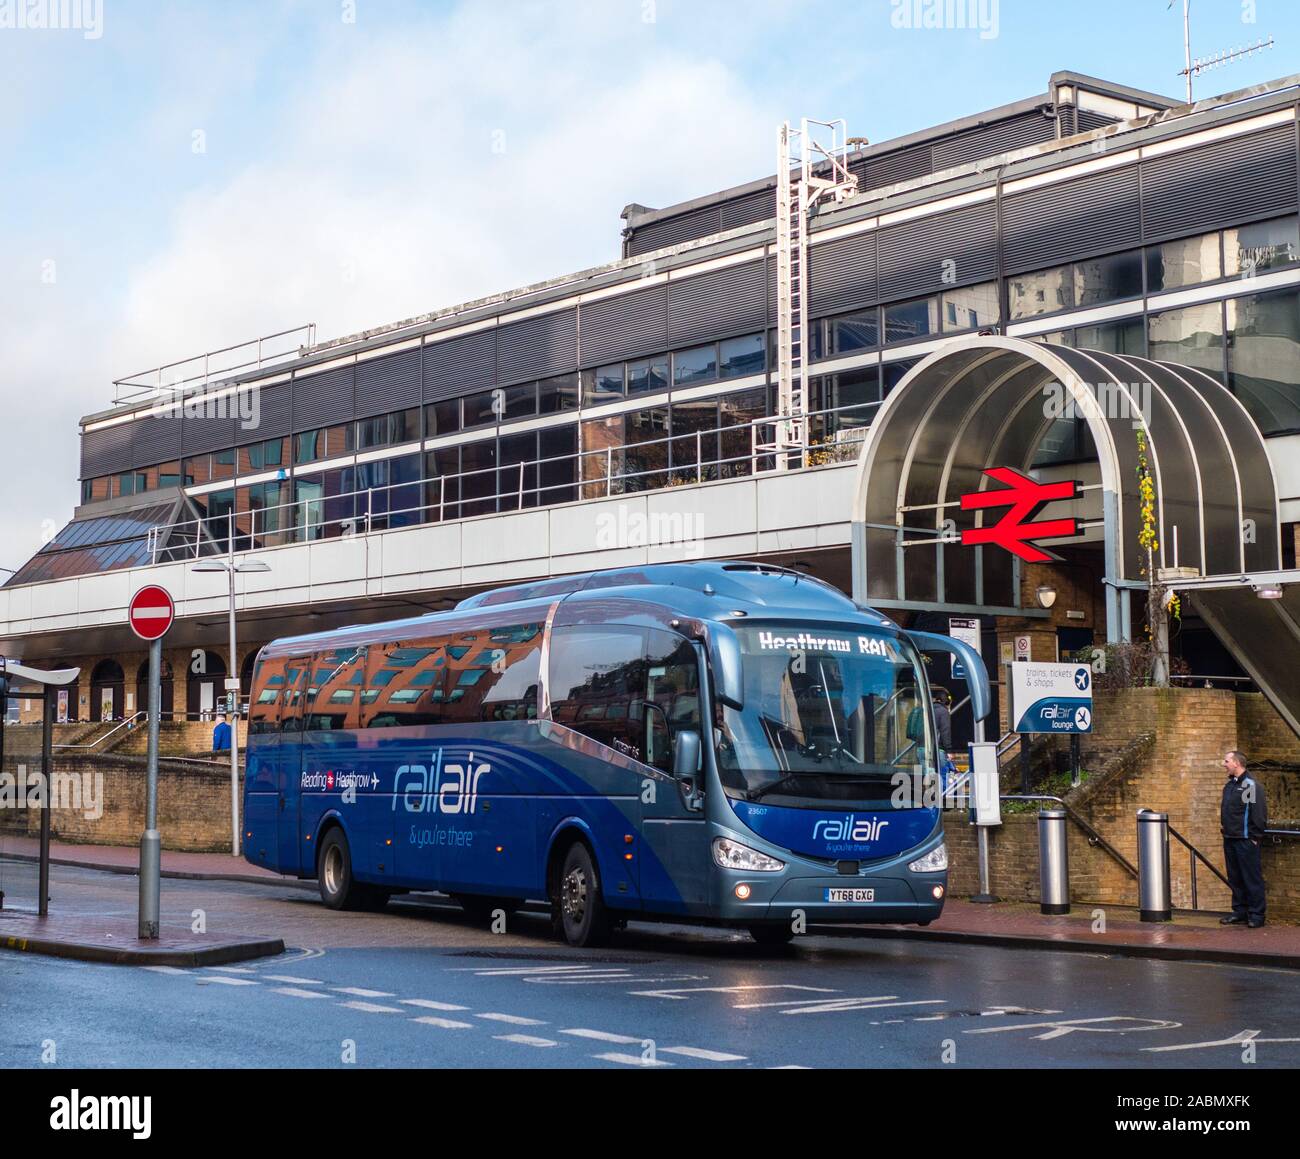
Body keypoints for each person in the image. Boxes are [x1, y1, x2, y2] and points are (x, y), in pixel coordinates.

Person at [1220, 750, 1268, 928]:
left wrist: (1255, 837)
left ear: (1236, 763)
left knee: (1251, 878)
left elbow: (1257, 813)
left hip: (1245, 840)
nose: (1224, 764)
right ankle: (1239, 912)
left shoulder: (1249, 785)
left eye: (1226, 761)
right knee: (1235, 878)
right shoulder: (1230, 785)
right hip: (1230, 838)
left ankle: (1256, 915)